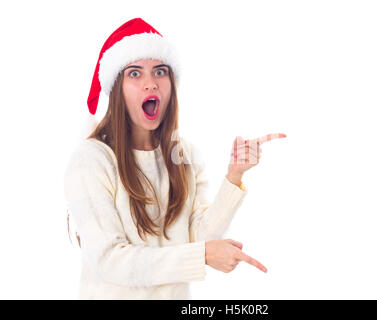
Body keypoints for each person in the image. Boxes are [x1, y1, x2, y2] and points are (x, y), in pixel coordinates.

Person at [64, 17, 286, 299]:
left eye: (159, 71)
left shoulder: (182, 156)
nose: (150, 84)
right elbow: (111, 260)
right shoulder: (91, 160)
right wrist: (202, 255)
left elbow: (197, 237)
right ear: (117, 87)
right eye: (135, 73)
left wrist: (235, 175)